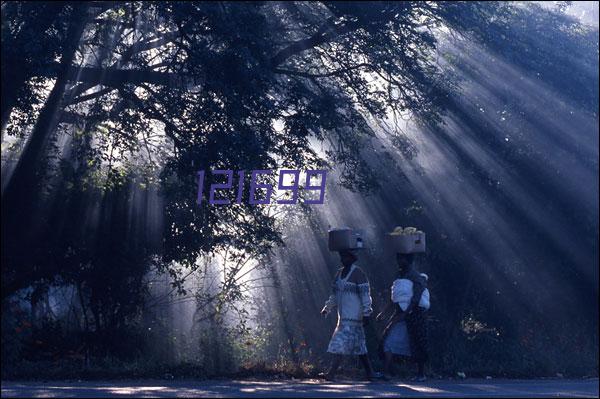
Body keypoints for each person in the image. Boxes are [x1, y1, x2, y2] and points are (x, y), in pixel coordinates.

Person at [320, 248, 377, 381]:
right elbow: (334, 295)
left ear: (352, 258)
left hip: (354, 317)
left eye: (345, 256)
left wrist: (367, 313)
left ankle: (331, 373)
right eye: (341, 256)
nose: (342, 259)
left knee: (340, 343)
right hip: (343, 317)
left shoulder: (358, 273)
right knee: (360, 347)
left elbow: (365, 294)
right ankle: (370, 373)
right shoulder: (339, 274)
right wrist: (327, 308)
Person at [376, 252, 429, 381]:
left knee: (417, 342)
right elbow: (394, 297)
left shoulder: (415, 277)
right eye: (398, 258)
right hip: (399, 314)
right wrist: (383, 313)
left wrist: (406, 313)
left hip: (415, 314)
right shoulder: (399, 276)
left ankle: (421, 374)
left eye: (402, 259)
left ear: (408, 260)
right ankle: (386, 372)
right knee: (388, 340)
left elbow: (416, 298)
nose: (399, 261)